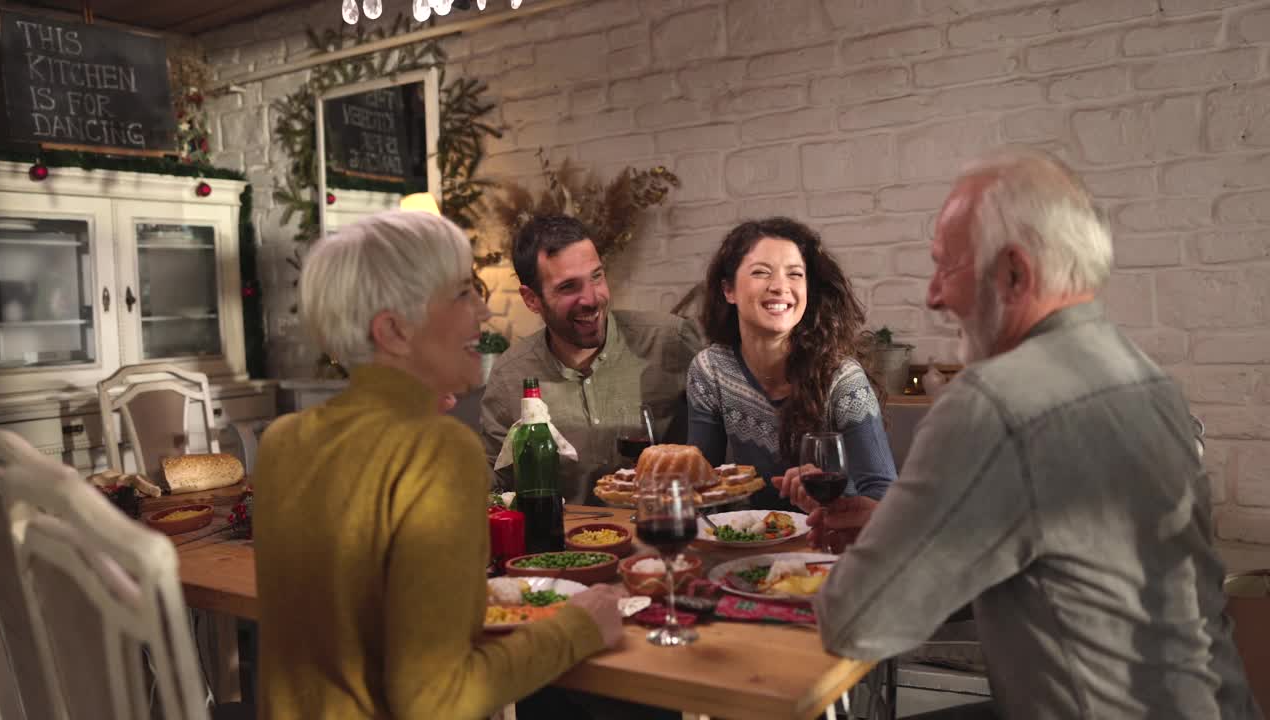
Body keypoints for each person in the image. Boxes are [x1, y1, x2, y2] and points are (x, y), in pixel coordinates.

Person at [777, 148, 1261, 719]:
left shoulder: (993, 401)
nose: (933, 294)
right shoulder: (1145, 377)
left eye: (945, 265)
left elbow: (856, 620)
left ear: (1013, 273)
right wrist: (896, 524)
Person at [253, 210, 625, 719]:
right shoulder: (438, 450)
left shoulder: (282, 441)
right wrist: (580, 627)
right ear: (394, 331)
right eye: (461, 294)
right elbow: (438, 702)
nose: (484, 312)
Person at [480, 214, 704, 502]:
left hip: (667, 531)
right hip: (565, 544)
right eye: (568, 287)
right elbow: (498, 486)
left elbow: (721, 450)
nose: (591, 298)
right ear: (531, 299)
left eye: (596, 276)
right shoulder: (509, 377)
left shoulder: (671, 341)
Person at [688, 217, 896, 512]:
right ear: (728, 290)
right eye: (761, 272)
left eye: (795, 274)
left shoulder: (842, 378)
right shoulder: (710, 370)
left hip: (831, 544)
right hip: (750, 542)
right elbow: (699, 488)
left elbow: (885, 497)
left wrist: (830, 502)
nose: (779, 287)